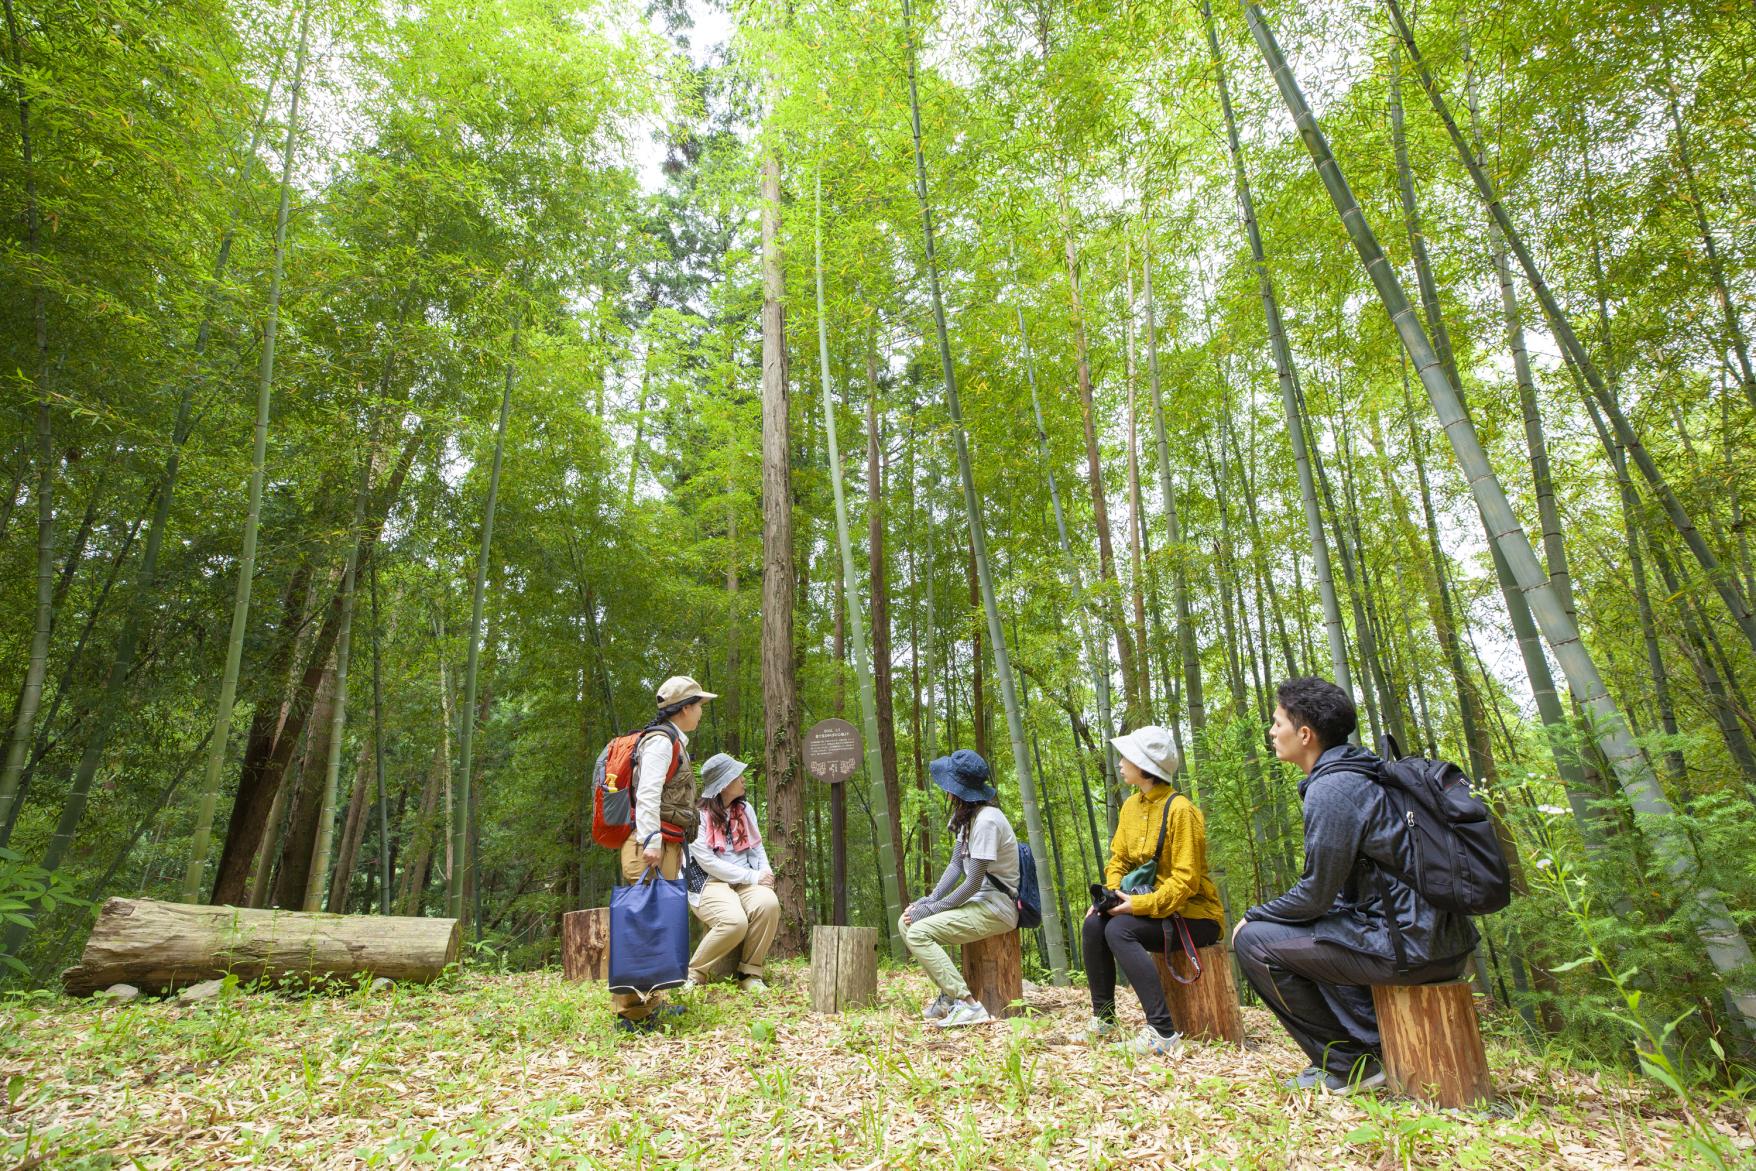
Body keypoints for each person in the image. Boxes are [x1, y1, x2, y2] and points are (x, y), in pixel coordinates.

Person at [1233, 676, 1478, 1094]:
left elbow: (1313, 895)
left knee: (1255, 941)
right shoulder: (1360, 770)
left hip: (1409, 947)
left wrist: (1250, 917)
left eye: (1278, 723)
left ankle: (1350, 1065)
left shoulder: (1333, 788)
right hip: (1434, 940)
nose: (1272, 732)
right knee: (1309, 927)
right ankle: (1369, 1043)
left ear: (1305, 733)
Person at [1083, 726, 1226, 1056]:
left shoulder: (1181, 811)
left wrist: (1137, 905)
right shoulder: (1131, 807)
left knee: (1120, 929)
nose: (1120, 762)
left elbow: (1185, 882)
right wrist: (1113, 897)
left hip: (1194, 914)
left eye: (1126, 756)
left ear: (1143, 764)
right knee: (1094, 924)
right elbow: (1118, 858)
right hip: (1147, 904)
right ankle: (1104, 1020)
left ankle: (1162, 1032)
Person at [613, 674, 715, 1034]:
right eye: (699, 705)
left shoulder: (674, 741)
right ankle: (631, 1014)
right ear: (684, 708)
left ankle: (651, 1004)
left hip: (664, 844)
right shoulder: (661, 742)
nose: (701, 711)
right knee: (640, 927)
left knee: (654, 925)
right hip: (650, 845)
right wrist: (652, 839)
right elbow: (648, 793)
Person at [900, 749, 1021, 1028]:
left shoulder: (988, 820)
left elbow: (972, 882)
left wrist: (931, 910)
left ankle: (968, 1005)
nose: (946, 791)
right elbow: (956, 866)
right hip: (978, 902)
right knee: (906, 923)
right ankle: (950, 997)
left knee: (918, 932)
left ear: (960, 789)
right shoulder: (968, 817)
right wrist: (928, 900)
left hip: (996, 907)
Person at [682, 752, 779, 992]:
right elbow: (708, 863)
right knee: (733, 921)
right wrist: (753, 876)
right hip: (709, 883)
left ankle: (750, 973)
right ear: (724, 784)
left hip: (744, 880)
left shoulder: (744, 811)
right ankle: (694, 973)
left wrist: (765, 872)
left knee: (769, 904)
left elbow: (757, 849)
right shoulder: (698, 817)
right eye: (738, 776)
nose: (743, 779)